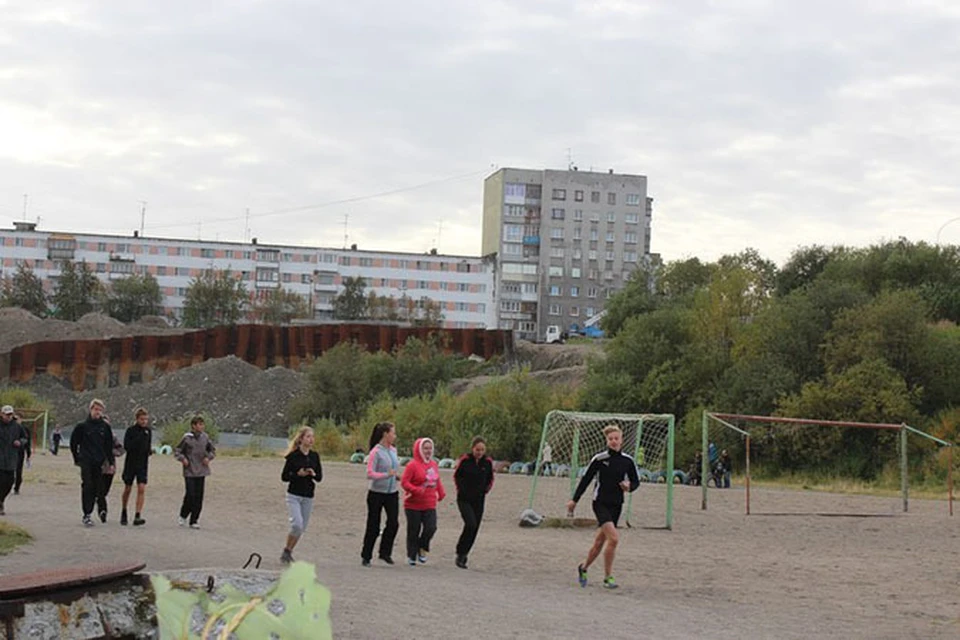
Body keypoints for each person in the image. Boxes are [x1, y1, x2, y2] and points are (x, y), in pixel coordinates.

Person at [566, 424, 640, 590]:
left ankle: (583, 568)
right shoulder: (599, 459)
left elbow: (636, 482)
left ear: (621, 440)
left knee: (600, 542)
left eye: (616, 438)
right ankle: (608, 577)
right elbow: (585, 480)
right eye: (611, 439)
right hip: (600, 503)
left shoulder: (627, 461)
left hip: (617, 504)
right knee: (613, 539)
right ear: (607, 441)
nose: (614, 441)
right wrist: (574, 500)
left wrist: (629, 486)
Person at [279, 426, 323, 564]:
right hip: (294, 494)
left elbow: (320, 478)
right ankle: (287, 550)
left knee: (302, 528)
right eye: (308, 436)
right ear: (301, 439)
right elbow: (284, 477)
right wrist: (297, 474)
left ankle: (288, 551)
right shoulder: (293, 456)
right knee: (296, 524)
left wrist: (313, 474)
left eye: (312, 437)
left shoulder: (314, 456)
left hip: (308, 495)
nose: (311, 440)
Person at [70, 399, 116, 527]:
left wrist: (111, 462)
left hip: (99, 461)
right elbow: (74, 443)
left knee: (98, 487)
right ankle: (87, 514)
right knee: (87, 485)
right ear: (91, 410)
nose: (98, 412)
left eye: (100, 410)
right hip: (86, 460)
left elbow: (108, 446)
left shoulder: (105, 427)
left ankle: (100, 508)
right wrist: (76, 458)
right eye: (96, 409)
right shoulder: (82, 427)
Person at [400, 437, 445, 567]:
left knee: (431, 527)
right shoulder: (412, 465)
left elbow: (437, 481)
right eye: (425, 448)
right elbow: (404, 482)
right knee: (413, 530)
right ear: (419, 449)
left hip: (429, 503)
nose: (428, 451)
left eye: (430, 448)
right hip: (413, 504)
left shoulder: (434, 464)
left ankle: (422, 547)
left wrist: (441, 493)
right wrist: (415, 490)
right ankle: (412, 555)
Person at [361, 422, 400, 567]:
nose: (395, 436)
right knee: (373, 525)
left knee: (393, 523)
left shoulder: (394, 451)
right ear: (385, 434)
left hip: (392, 492)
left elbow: (393, 469)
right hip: (376, 493)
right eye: (393, 433)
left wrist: (395, 476)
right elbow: (370, 473)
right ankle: (366, 555)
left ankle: (385, 552)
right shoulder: (375, 452)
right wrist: (386, 475)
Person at [453, 436, 494, 569]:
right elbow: (457, 476)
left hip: (479, 500)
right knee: (470, 523)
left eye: (482, 450)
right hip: (464, 499)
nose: (480, 452)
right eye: (477, 449)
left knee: (475, 528)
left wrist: (485, 490)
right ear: (473, 448)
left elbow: (490, 479)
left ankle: (464, 555)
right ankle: (460, 550)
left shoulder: (487, 462)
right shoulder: (465, 460)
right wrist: (462, 490)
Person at [174, 415, 216, 529]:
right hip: (190, 470)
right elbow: (177, 451)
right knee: (190, 494)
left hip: (202, 470)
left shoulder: (205, 437)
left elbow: (212, 450)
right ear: (193, 426)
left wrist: (209, 458)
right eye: (199, 424)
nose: (202, 427)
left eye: (203, 424)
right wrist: (183, 459)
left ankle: (194, 519)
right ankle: (183, 514)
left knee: (199, 496)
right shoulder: (187, 438)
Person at [120, 408, 153, 526]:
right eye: (142, 419)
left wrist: (149, 451)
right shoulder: (131, 431)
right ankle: (124, 510)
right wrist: (139, 438)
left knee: (141, 488)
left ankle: (137, 515)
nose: (144, 422)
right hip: (131, 463)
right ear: (137, 419)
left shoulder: (148, 431)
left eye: (146, 419)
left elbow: (147, 446)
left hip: (142, 464)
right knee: (128, 488)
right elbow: (127, 446)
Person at [0, 405, 29, 516]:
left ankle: (1, 499)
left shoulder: (17, 427)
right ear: (1, 414)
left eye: (10, 414)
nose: (9, 416)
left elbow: (25, 438)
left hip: (12, 457)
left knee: (9, 481)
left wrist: (20, 442)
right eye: (6, 414)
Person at [98, 433, 125, 522]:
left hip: (109, 468)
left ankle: (99, 503)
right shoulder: (93, 434)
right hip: (97, 467)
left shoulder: (112, 437)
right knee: (100, 490)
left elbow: (121, 450)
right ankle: (103, 510)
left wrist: (111, 451)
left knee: (105, 490)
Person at [13, 415, 31, 495]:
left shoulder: (24, 429)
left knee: (18, 470)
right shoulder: (8, 428)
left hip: (19, 452)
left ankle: (17, 487)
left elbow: (27, 441)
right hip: (9, 452)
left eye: (17, 419)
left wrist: (28, 453)